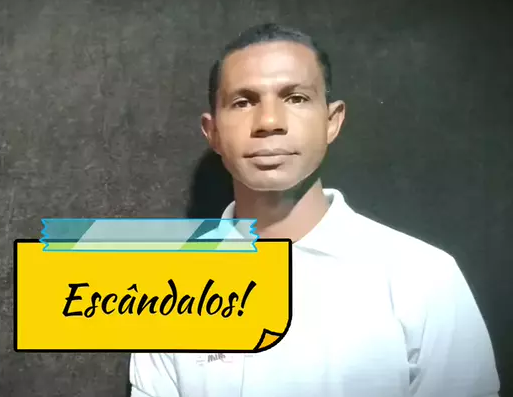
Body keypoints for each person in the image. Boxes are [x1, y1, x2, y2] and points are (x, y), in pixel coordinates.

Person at [128, 23, 500, 397]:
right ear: (213, 133)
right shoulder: (168, 287)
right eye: (243, 102)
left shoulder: (423, 277)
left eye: (296, 98)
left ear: (332, 121)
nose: (269, 122)